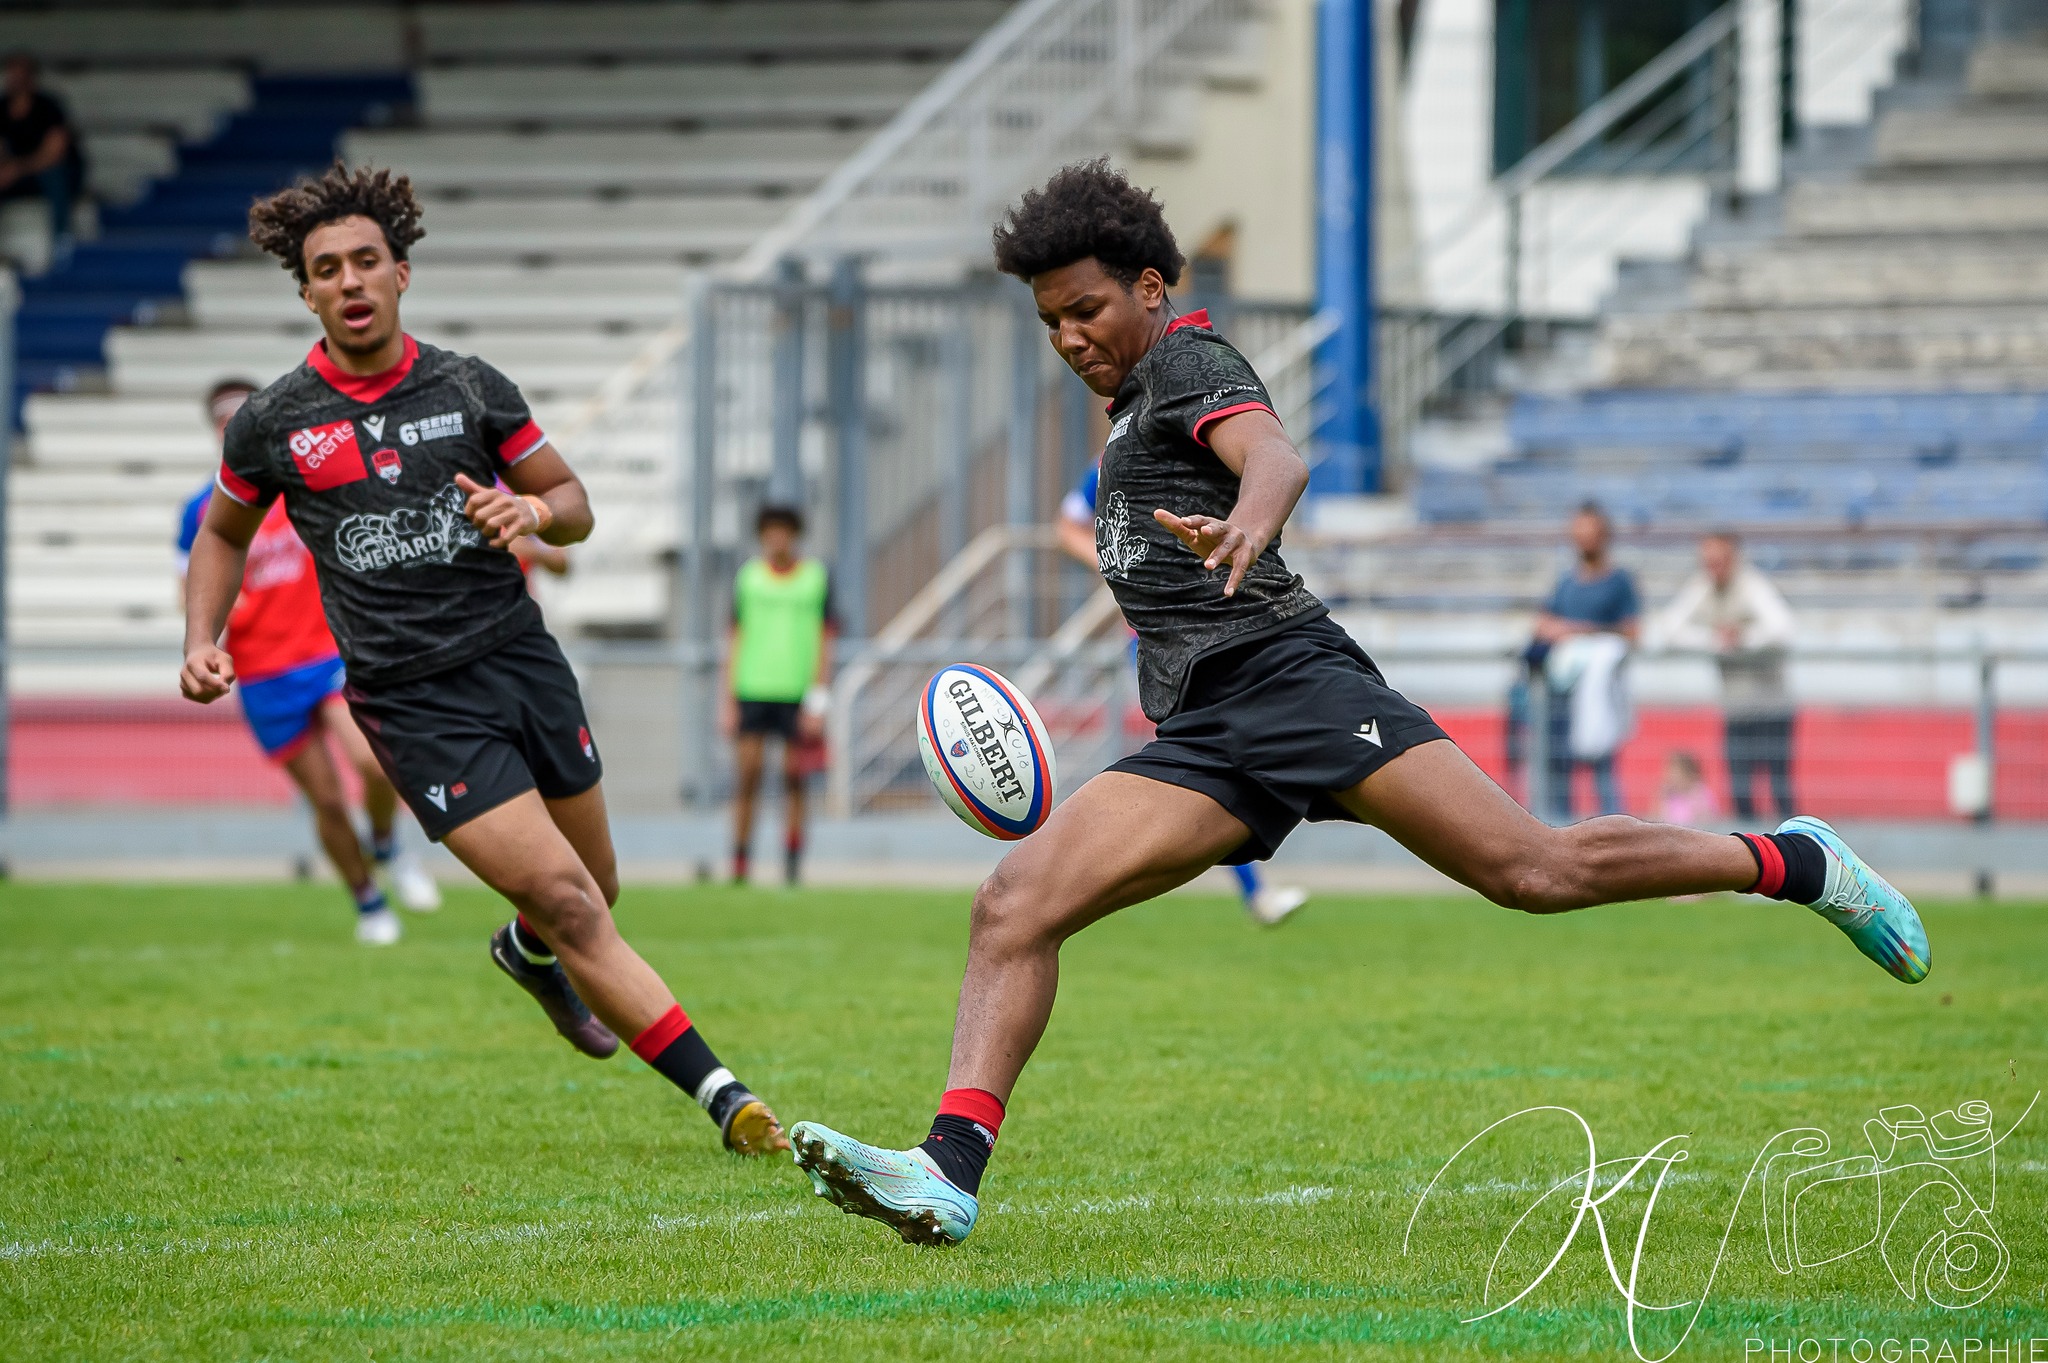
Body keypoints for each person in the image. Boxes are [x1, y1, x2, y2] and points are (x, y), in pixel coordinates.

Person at [784, 159, 1930, 1247]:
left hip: (1295, 682)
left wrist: (1250, 520)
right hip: (1203, 730)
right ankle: (946, 1169)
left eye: (1084, 308)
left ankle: (1793, 860)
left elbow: (1274, 456)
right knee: (1014, 903)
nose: (1068, 336)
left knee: (1533, 872)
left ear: (1148, 286)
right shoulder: (1131, 404)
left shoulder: (1189, 360)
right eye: (1049, 322)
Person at [178, 162, 788, 1156]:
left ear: (402, 272)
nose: (349, 281)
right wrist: (202, 639)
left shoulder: (468, 385)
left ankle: (525, 954)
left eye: (366, 260)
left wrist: (534, 509)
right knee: (569, 899)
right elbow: (221, 535)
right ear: (305, 291)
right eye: (327, 268)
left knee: (596, 886)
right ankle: (728, 1100)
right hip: (412, 703)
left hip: (520, 662)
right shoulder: (276, 420)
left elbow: (574, 502)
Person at [177, 378, 441, 944]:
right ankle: (369, 903)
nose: (233, 423)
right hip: (264, 673)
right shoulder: (203, 508)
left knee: (373, 762)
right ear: (213, 428)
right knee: (324, 799)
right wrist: (213, 626)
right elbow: (191, 585)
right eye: (222, 416)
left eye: (242, 412)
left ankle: (390, 845)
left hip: (327, 653)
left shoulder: (304, 485)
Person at [1058, 461, 1308, 926]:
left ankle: (1251, 889)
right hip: (1167, 639)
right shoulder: (1112, 462)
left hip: (1221, 627)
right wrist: (1118, 564)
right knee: (1210, 759)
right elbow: (1067, 525)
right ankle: (1252, 891)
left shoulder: (1195, 450)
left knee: (1215, 760)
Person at [719, 504, 835, 886]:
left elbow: (825, 641)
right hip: (752, 689)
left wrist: (818, 701)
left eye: (784, 530)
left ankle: (792, 862)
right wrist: (728, 699)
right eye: (771, 531)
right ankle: (739, 861)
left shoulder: (815, 578)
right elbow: (734, 638)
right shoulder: (749, 578)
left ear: (795, 535)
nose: (777, 538)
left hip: (797, 695)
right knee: (748, 776)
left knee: (794, 779)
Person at [1650, 530, 1797, 821]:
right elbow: (1668, 629)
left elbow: (1782, 628)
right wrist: (1715, 640)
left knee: (1779, 788)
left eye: (1720, 559)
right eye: (1708, 560)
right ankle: (1754, 862)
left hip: (1773, 706)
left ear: (1735, 558)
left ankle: (1793, 858)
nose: (1713, 566)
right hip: (1736, 708)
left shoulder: (1753, 585)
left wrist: (1742, 639)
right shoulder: (1702, 587)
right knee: (1740, 790)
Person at [1531, 503, 1639, 819]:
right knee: (1557, 766)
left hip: (1598, 691)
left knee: (1601, 763)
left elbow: (1632, 632)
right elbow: (1545, 621)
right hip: (1561, 689)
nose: (1584, 540)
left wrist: (1578, 632)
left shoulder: (1619, 581)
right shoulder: (1566, 581)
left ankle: (1618, 837)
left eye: (1590, 532)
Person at [0, 54, 80, 251]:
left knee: (54, 176)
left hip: (51, 170)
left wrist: (18, 168)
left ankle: (62, 240)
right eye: (12, 74)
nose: (16, 79)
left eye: (21, 74)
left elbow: (54, 152)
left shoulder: (48, 107)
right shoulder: (2, 107)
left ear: (31, 77)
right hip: (18, 174)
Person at [1653, 750, 1719, 827]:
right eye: (1669, 772)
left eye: (1676, 772)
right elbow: (1655, 820)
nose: (1670, 777)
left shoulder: (1700, 793)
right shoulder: (1668, 795)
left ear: (1688, 773)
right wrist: (1660, 799)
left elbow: (1707, 822)